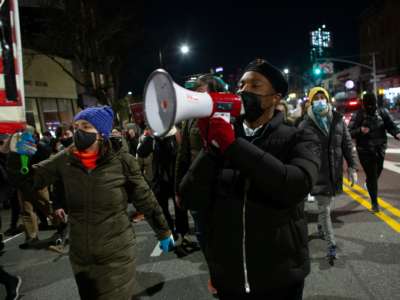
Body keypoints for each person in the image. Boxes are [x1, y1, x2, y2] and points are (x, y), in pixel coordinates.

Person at [180, 59, 321, 299]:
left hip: (281, 277)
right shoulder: (224, 138)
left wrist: (234, 146)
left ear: (276, 97)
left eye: (255, 85)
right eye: (242, 85)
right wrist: (211, 149)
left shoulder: (299, 136)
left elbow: (294, 185)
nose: (244, 91)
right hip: (229, 279)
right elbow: (190, 198)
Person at [7, 106, 174, 299]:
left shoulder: (121, 161)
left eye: (85, 126)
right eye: (76, 126)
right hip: (81, 258)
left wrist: (163, 231)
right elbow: (29, 181)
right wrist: (17, 156)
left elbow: (145, 199)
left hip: (116, 255)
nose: (79, 132)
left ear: (101, 133)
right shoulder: (67, 157)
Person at [299, 87, 358, 265]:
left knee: (325, 207)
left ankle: (319, 227)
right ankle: (331, 245)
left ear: (327, 99)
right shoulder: (305, 124)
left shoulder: (338, 120)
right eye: (315, 98)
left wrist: (353, 167)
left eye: (322, 97)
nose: (319, 100)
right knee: (324, 209)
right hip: (317, 174)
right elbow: (299, 151)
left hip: (334, 172)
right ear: (310, 101)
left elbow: (347, 144)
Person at [348, 92, 400, 212]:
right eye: (368, 104)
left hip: (380, 148)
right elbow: (349, 132)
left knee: (378, 171)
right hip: (364, 150)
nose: (371, 107)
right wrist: (360, 130)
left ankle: (369, 184)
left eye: (373, 104)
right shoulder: (358, 115)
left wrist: (397, 133)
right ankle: (375, 203)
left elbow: (391, 126)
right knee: (371, 175)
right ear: (363, 104)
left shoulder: (383, 112)